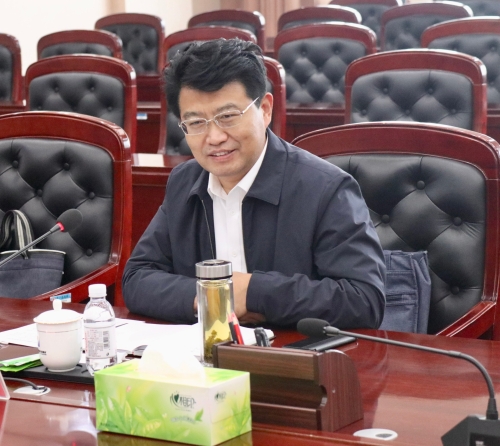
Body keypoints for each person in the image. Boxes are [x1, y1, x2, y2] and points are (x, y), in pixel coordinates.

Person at [122, 38, 386, 328]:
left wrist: (253, 292)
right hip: (207, 352)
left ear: (265, 109)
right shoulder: (184, 182)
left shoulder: (326, 188)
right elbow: (137, 278)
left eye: (228, 117)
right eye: (196, 123)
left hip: (294, 351)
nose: (214, 137)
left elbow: (364, 299)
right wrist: (214, 297)